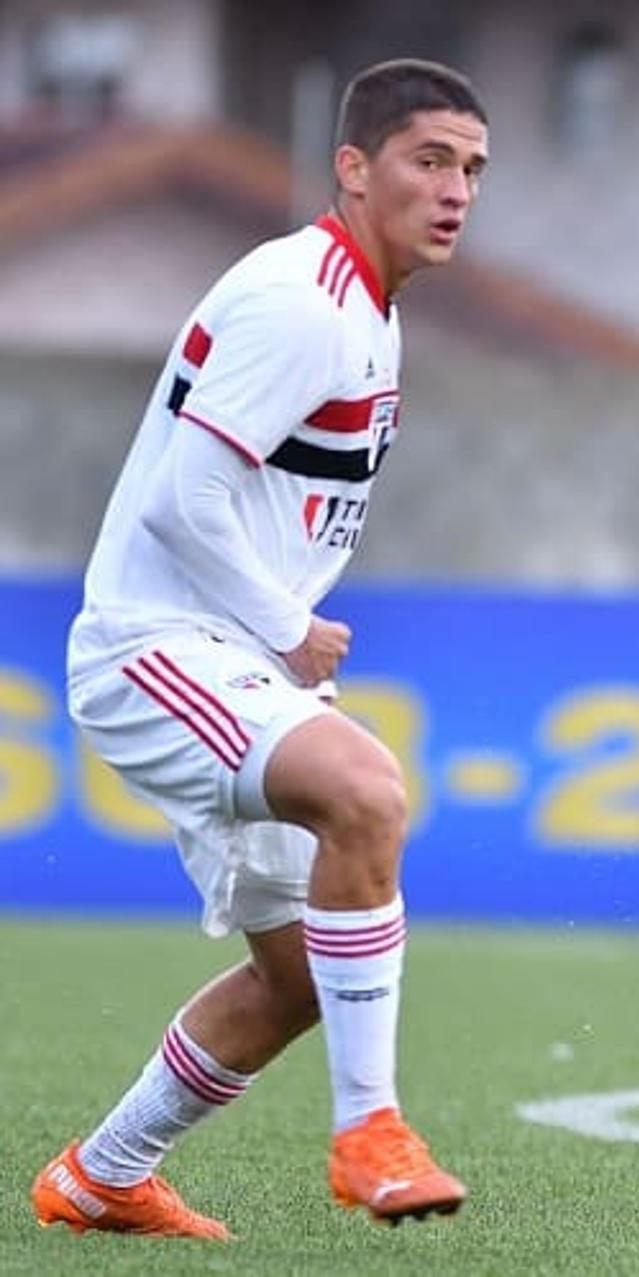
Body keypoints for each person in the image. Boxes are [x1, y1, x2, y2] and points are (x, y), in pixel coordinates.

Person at [31, 60, 488, 1240]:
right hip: (156, 643)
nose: (456, 191)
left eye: (473, 169)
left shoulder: (367, 310)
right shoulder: (305, 301)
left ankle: (102, 1174)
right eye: (429, 160)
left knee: (295, 978)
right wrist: (285, 624)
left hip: (230, 652)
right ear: (354, 167)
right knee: (369, 792)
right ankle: (371, 1131)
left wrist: (279, 633)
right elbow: (186, 498)